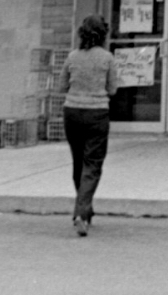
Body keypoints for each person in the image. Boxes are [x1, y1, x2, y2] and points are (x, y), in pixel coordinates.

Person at [60, 15, 119, 237]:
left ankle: (86, 209)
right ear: (103, 35)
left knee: (78, 162)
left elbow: (62, 85)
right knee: (92, 165)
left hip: (72, 113)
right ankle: (81, 213)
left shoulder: (72, 56)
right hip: (97, 114)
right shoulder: (107, 58)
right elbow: (113, 89)